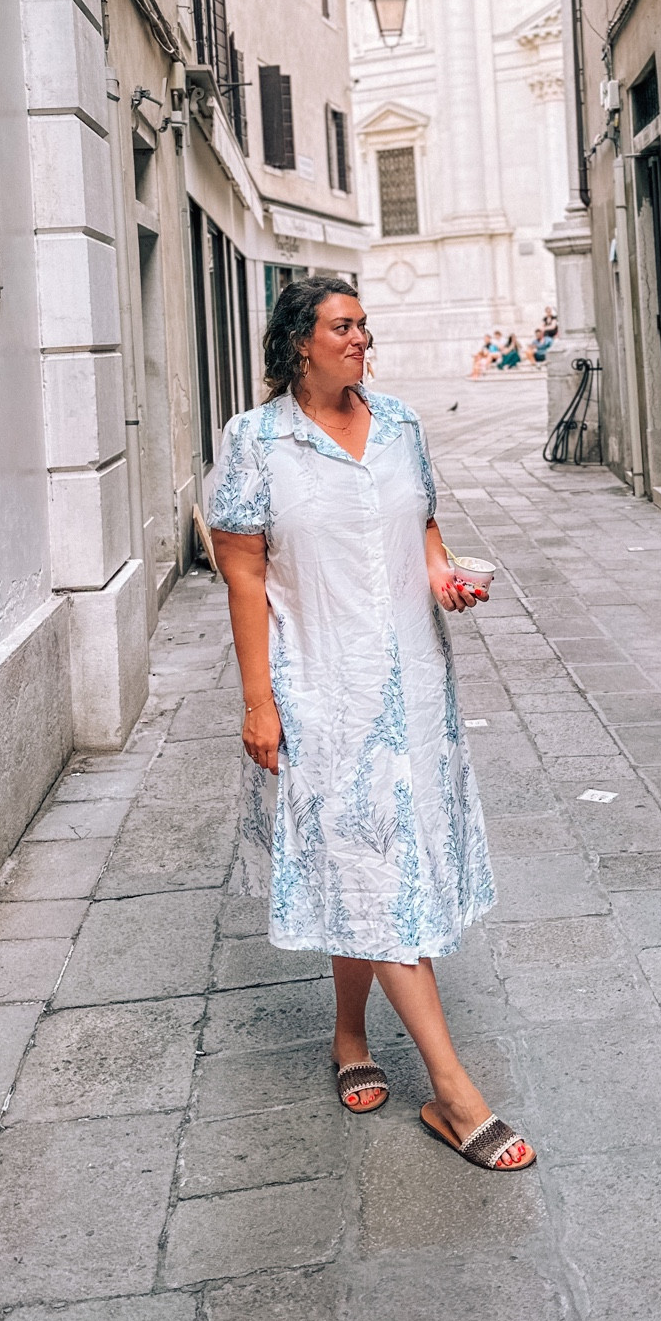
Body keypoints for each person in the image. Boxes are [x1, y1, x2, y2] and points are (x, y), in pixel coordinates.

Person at [207, 277, 535, 1173]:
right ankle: (455, 1096)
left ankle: (350, 1034)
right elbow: (243, 579)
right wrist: (257, 701)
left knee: (385, 863)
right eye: (342, 327)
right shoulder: (255, 443)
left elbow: (422, 527)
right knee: (376, 871)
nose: (360, 339)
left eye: (363, 326)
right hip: (322, 690)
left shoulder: (397, 424)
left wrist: (443, 576)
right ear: (299, 343)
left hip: (416, 687)